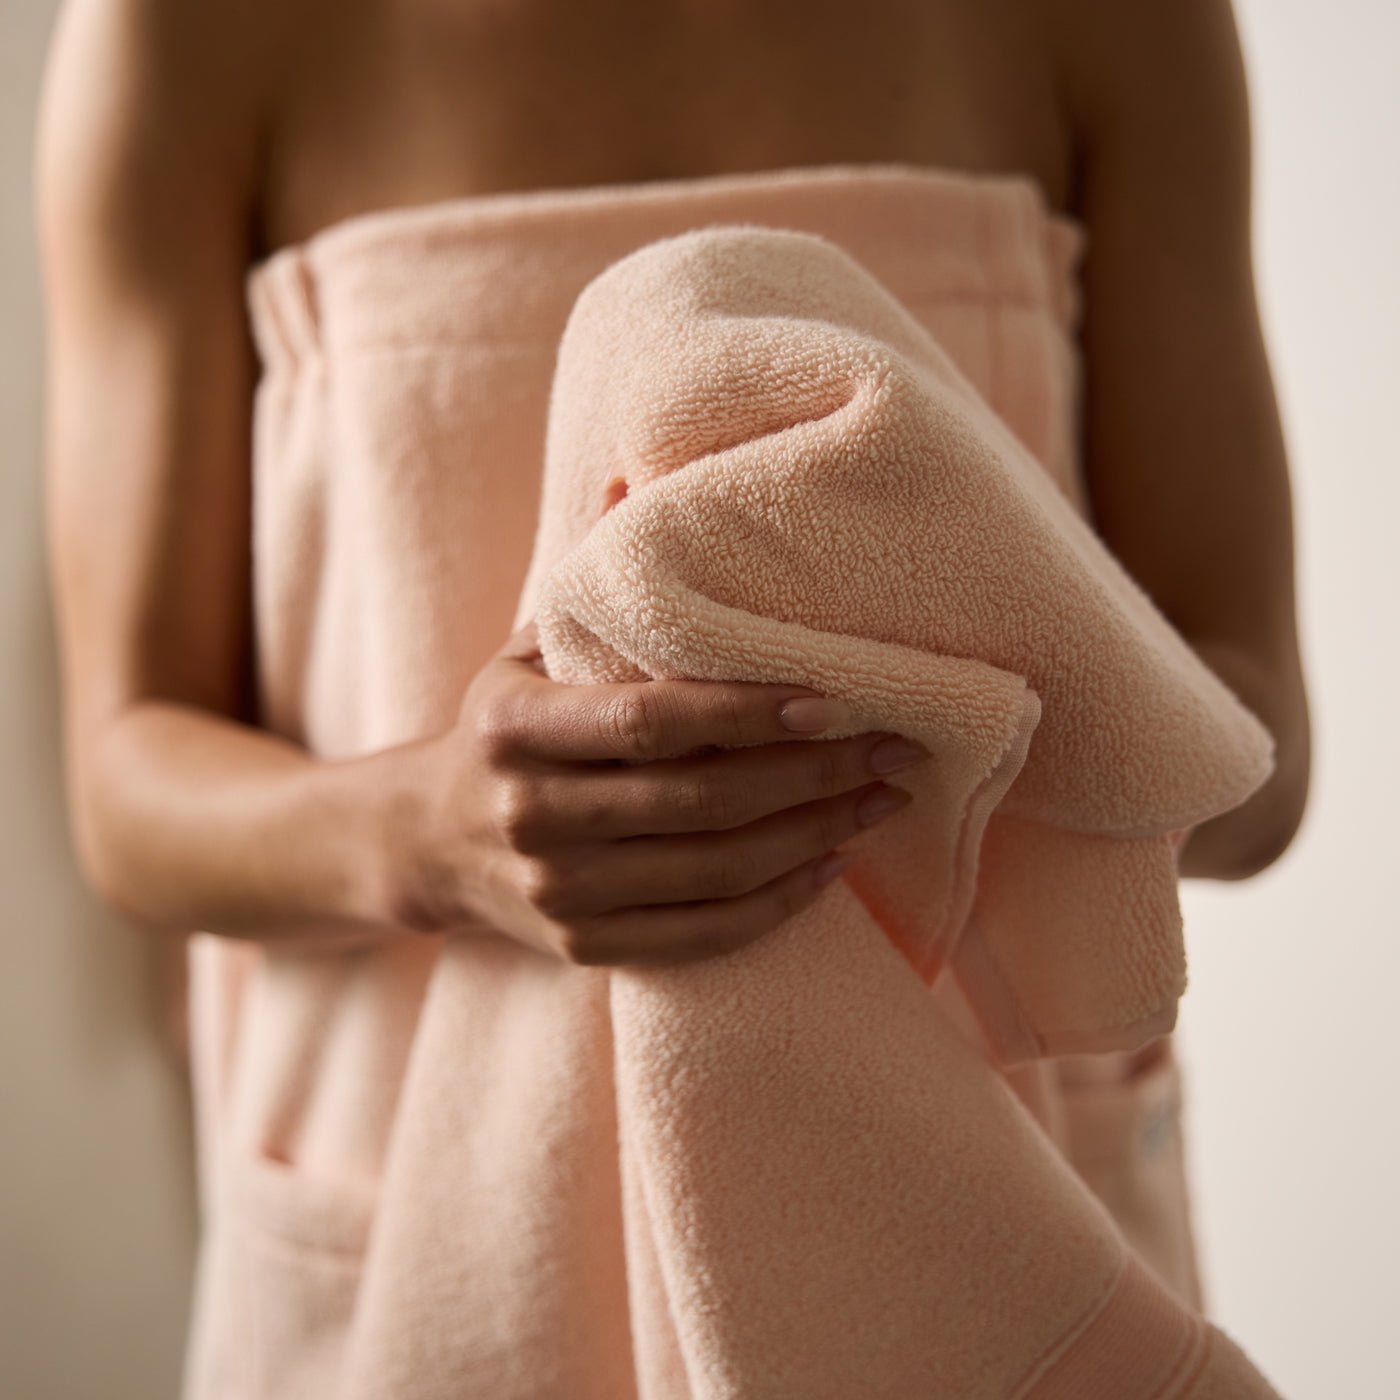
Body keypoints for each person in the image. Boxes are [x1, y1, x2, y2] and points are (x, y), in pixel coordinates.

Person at [36, 0, 1309, 1352]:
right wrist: (432, 833)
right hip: (407, 1223)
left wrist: (946, 748)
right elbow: (126, 783)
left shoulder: (1125, 24)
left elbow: (1256, 750)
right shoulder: (184, 29)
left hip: (994, 1213)